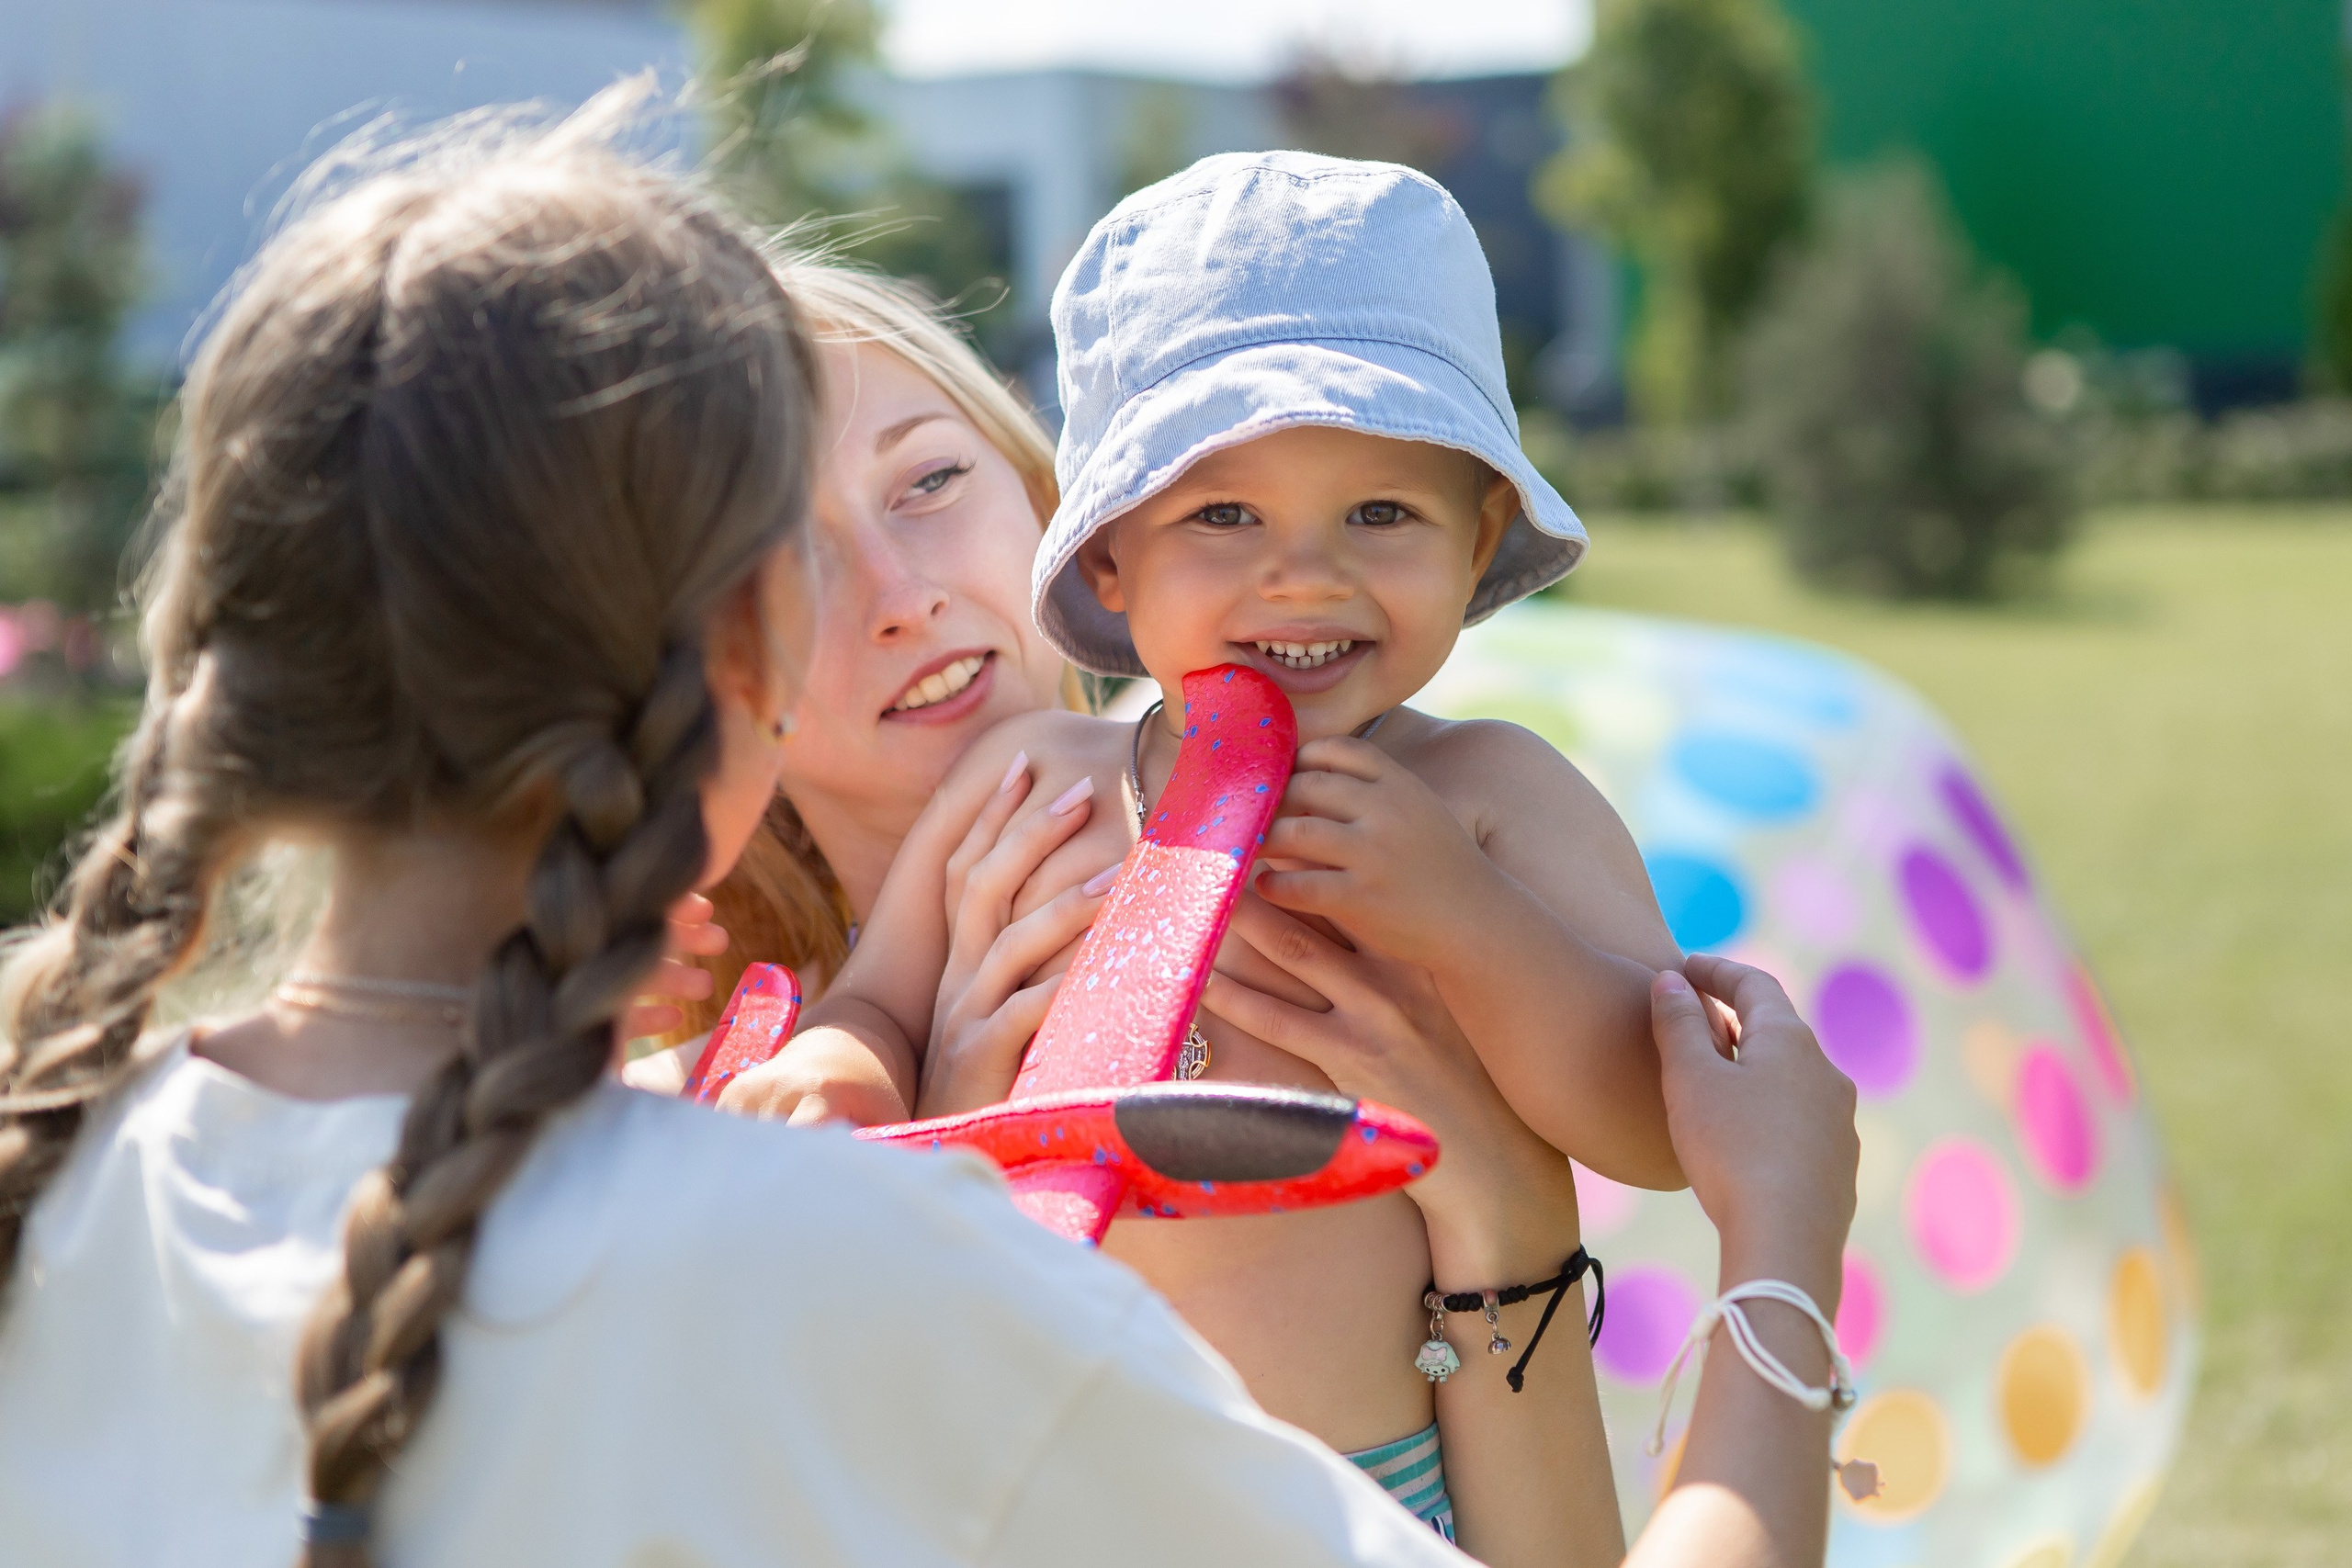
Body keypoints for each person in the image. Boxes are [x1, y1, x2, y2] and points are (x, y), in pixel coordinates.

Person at [0, 101, 1472, 1568]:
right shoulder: (817, 1241)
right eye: (799, 549)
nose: (892, 589)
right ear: (748, 651)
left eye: (931, 483)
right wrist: (1710, 1273)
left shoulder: (56, 1165)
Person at [741, 152, 1697, 1557]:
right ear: (1112, 560)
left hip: (1369, 1497)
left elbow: (1654, 1125)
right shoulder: (1036, 786)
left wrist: (1467, 918)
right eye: (1223, 515)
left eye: (1381, 512)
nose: (1302, 575)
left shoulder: (1492, 799)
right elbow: (878, 997)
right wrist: (839, 1068)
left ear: (1479, 530)